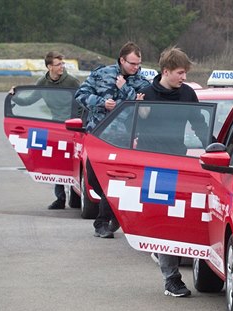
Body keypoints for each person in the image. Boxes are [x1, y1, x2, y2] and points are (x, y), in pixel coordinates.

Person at [138, 46, 204, 297]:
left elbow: (200, 126)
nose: (184, 77)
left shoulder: (188, 95)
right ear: (166, 71)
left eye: (185, 73)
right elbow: (130, 125)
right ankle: (172, 279)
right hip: (153, 166)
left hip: (179, 162)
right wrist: (138, 110)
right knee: (165, 222)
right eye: (180, 72)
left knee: (179, 220)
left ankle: (168, 260)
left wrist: (216, 148)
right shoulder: (145, 95)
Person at [75, 41, 150, 238]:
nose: (136, 67)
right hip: (98, 136)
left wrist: (125, 89)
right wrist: (101, 103)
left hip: (124, 139)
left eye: (138, 63)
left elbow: (142, 109)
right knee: (94, 179)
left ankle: (102, 223)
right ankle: (115, 210)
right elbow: (80, 95)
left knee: (114, 181)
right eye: (132, 63)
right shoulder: (102, 74)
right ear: (122, 59)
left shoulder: (141, 82)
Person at [9, 51, 80, 210]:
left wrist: (79, 122)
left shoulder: (72, 82)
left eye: (63, 64)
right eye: (58, 64)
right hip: (55, 125)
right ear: (49, 67)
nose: (62, 67)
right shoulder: (42, 82)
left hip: (73, 125)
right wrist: (15, 96)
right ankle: (60, 198)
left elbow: (84, 101)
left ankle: (76, 196)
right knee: (56, 160)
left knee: (73, 160)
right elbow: (29, 100)